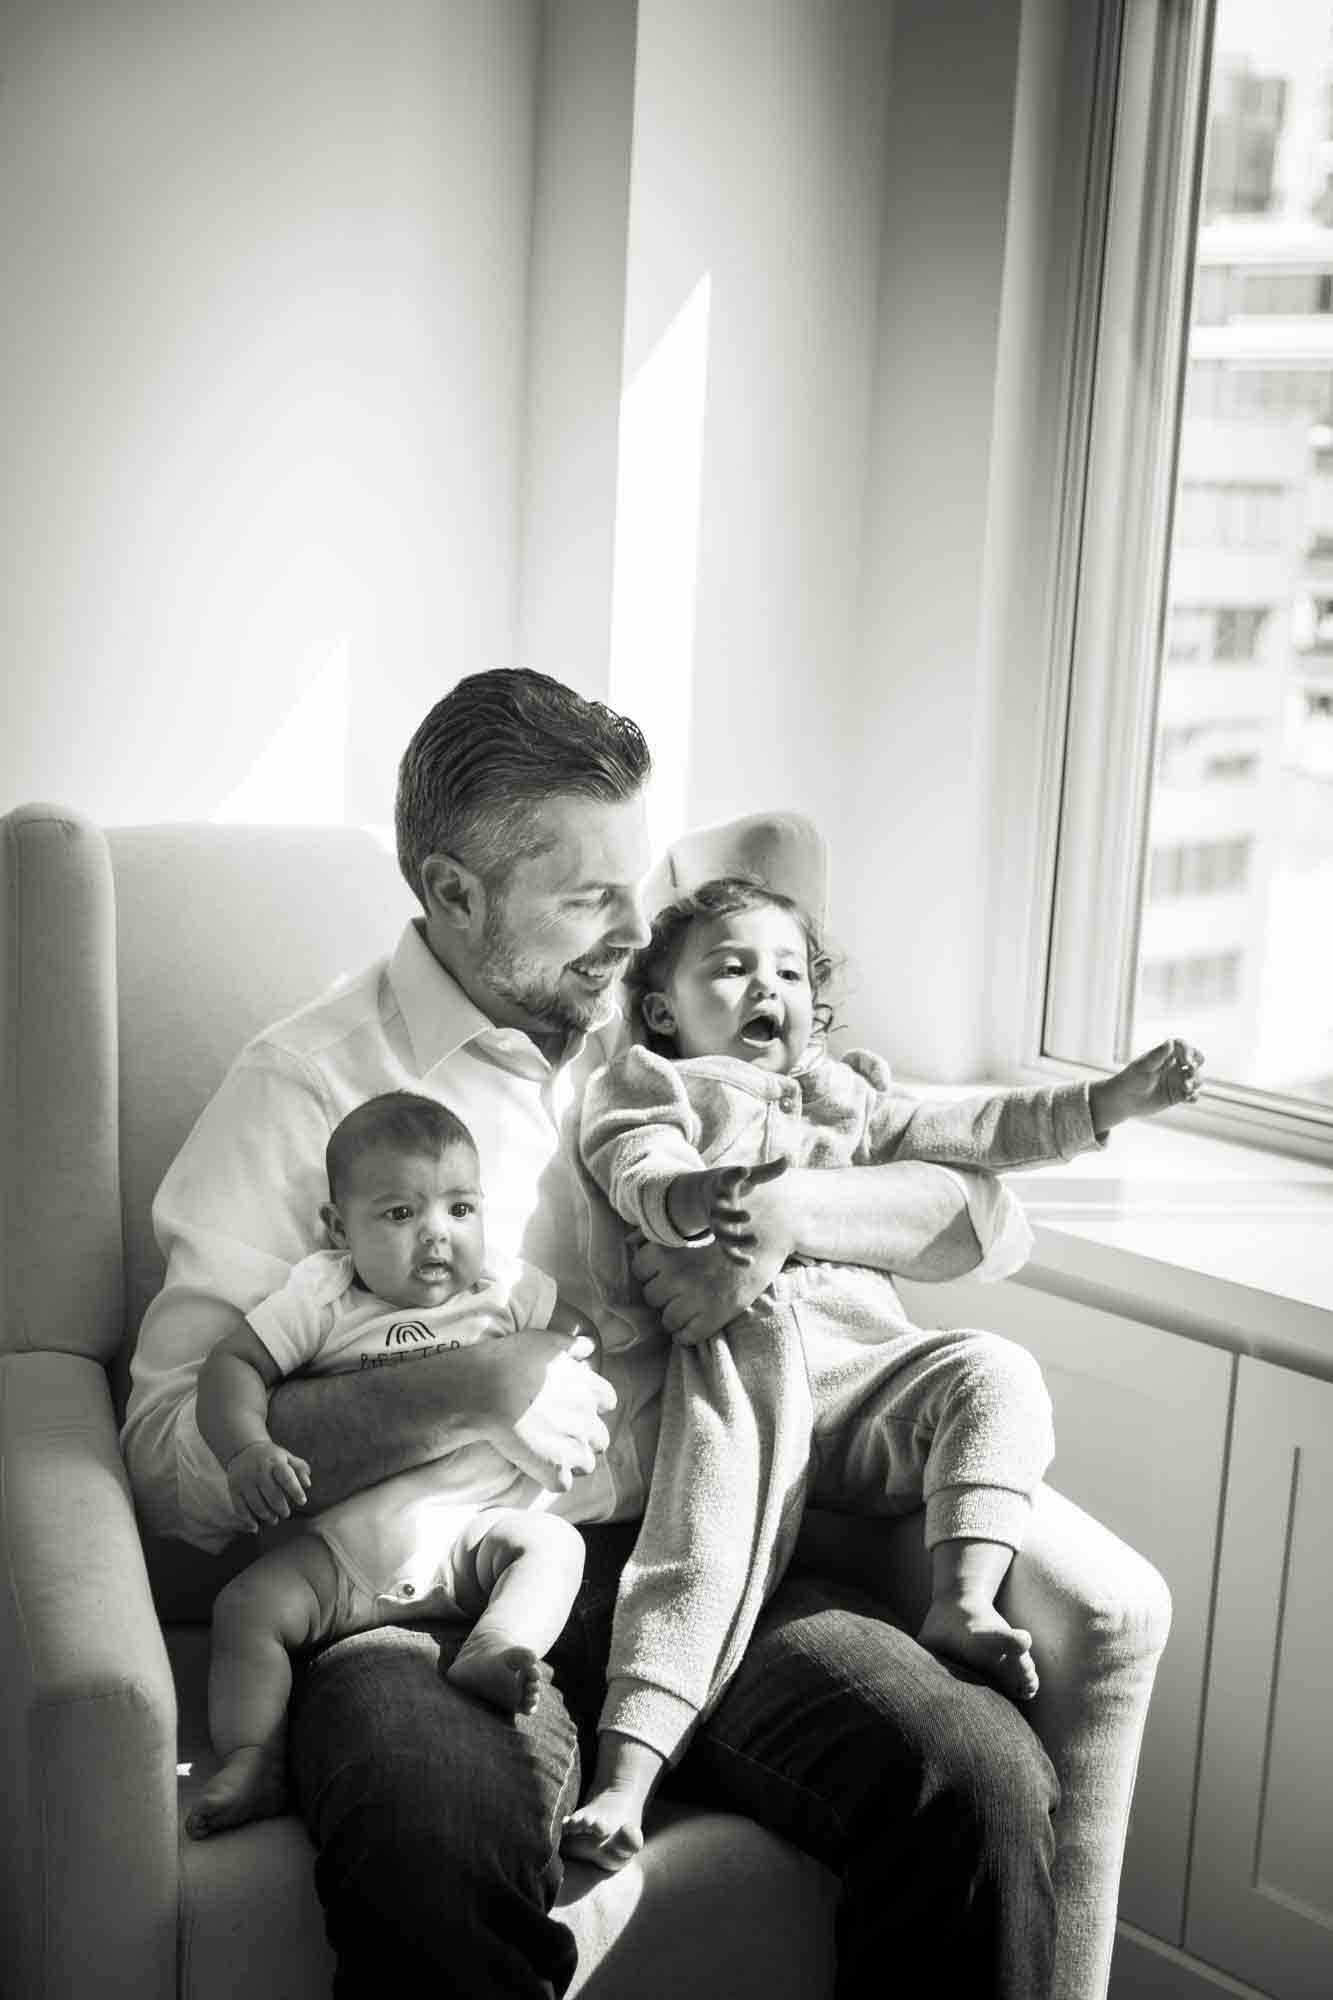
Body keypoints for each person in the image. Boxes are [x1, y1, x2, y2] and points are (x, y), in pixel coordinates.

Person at [124, 667, 1061, 2000]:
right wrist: (470, 1385)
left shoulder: (681, 1027)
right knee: (431, 1842)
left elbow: (987, 1217)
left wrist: (792, 1211)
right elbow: (167, 1459)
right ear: (453, 893)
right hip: (430, 1595)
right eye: (586, 899)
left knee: (973, 1780)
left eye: (637, 883)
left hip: (706, 1550)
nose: (635, 931)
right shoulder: (307, 1089)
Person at [565, 874, 1205, 1866]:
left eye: (785, 970)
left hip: (873, 1378)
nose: (761, 986)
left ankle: (963, 1595)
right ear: (660, 1006)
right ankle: (623, 1782)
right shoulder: (657, 1083)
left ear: (816, 1009)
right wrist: (701, 1195)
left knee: (994, 1369)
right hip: (745, 1373)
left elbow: (983, 1137)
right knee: (699, 1553)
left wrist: (1107, 1100)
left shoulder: (850, 1096)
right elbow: (635, 1167)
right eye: (728, 968)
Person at [185, 1090, 594, 1839]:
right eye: (400, 1214)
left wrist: (560, 1355)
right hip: (340, 1557)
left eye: (459, 1209)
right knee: (245, 1608)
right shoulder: (324, 1293)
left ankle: (495, 1646)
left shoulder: (503, 1288)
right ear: (338, 1229)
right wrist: (248, 1448)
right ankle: (252, 1754)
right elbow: (231, 1364)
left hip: (474, 1536)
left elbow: (577, 1342)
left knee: (554, 1548)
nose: (437, 1235)